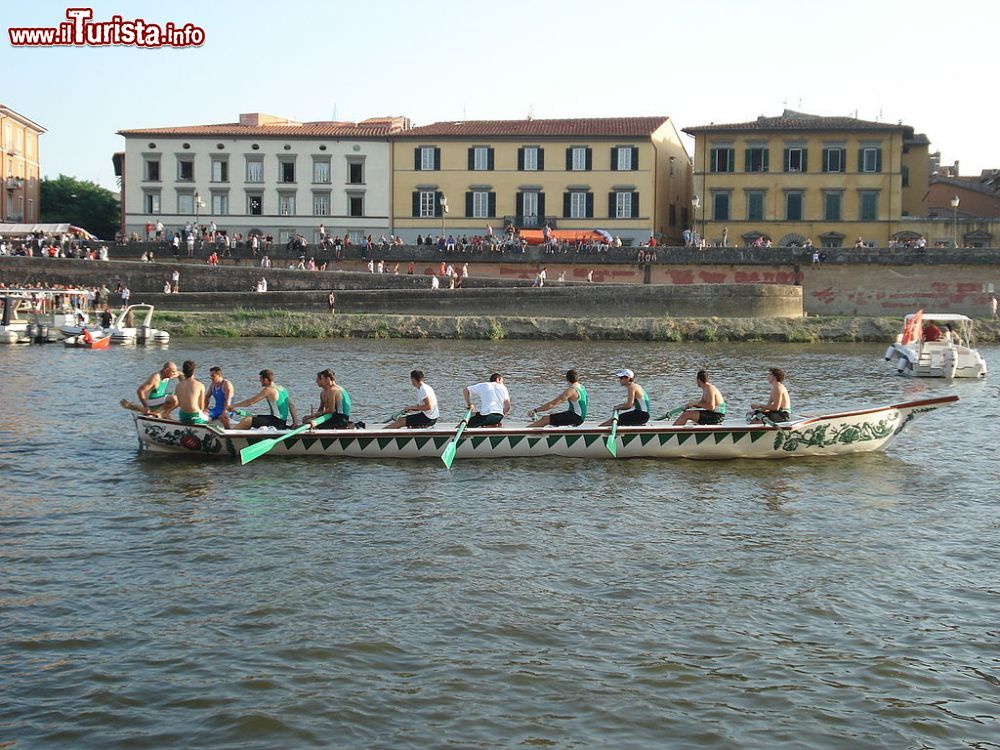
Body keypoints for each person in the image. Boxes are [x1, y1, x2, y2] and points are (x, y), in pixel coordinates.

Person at [231, 370, 299, 430]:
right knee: (252, 417)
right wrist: (295, 422)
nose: (259, 381)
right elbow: (292, 405)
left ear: (265, 379)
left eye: (260, 379)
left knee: (248, 420)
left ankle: (229, 437)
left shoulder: (268, 389)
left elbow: (250, 402)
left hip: (275, 421)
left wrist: (233, 405)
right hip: (282, 422)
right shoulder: (283, 389)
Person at [175, 360, 208, 425]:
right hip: (194, 417)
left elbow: (178, 403)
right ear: (194, 371)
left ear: (183, 371)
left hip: (183, 416)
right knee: (209, 418)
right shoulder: (200, 385)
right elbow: (201, 407)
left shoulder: (178, 385)